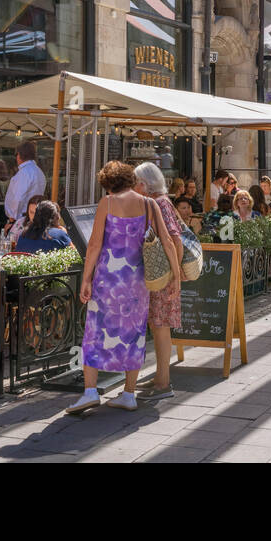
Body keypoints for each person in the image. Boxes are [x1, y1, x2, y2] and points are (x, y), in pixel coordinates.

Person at [68, 161, 177, 415]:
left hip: (108, 279)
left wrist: (86, 279)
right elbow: (168, 242)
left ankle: (90, 392)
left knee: (95, 332)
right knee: (134, 333)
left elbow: (94, 244)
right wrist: (176, 278)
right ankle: (129, 393)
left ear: (107, 183)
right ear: (130, 179)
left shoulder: (107, 203)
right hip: (137, 282)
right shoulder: (149, 204)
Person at [133, 161, 184, 401]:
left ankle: (164, 383)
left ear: (145, 184)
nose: (134, 187)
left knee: (161, 327)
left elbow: (175, 240)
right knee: (158, 325)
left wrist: (174, 275)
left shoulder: (160, 203)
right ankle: (160, 377)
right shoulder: (160, 202)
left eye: (136, 182)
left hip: (163, 277)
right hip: (162, 275)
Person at [3, 140, 46, 222]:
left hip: (21, 219)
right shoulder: (39, 172)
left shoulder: (24, 173)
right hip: (33, 216)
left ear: (19, 155)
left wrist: (12, 220)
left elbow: (18, 198)